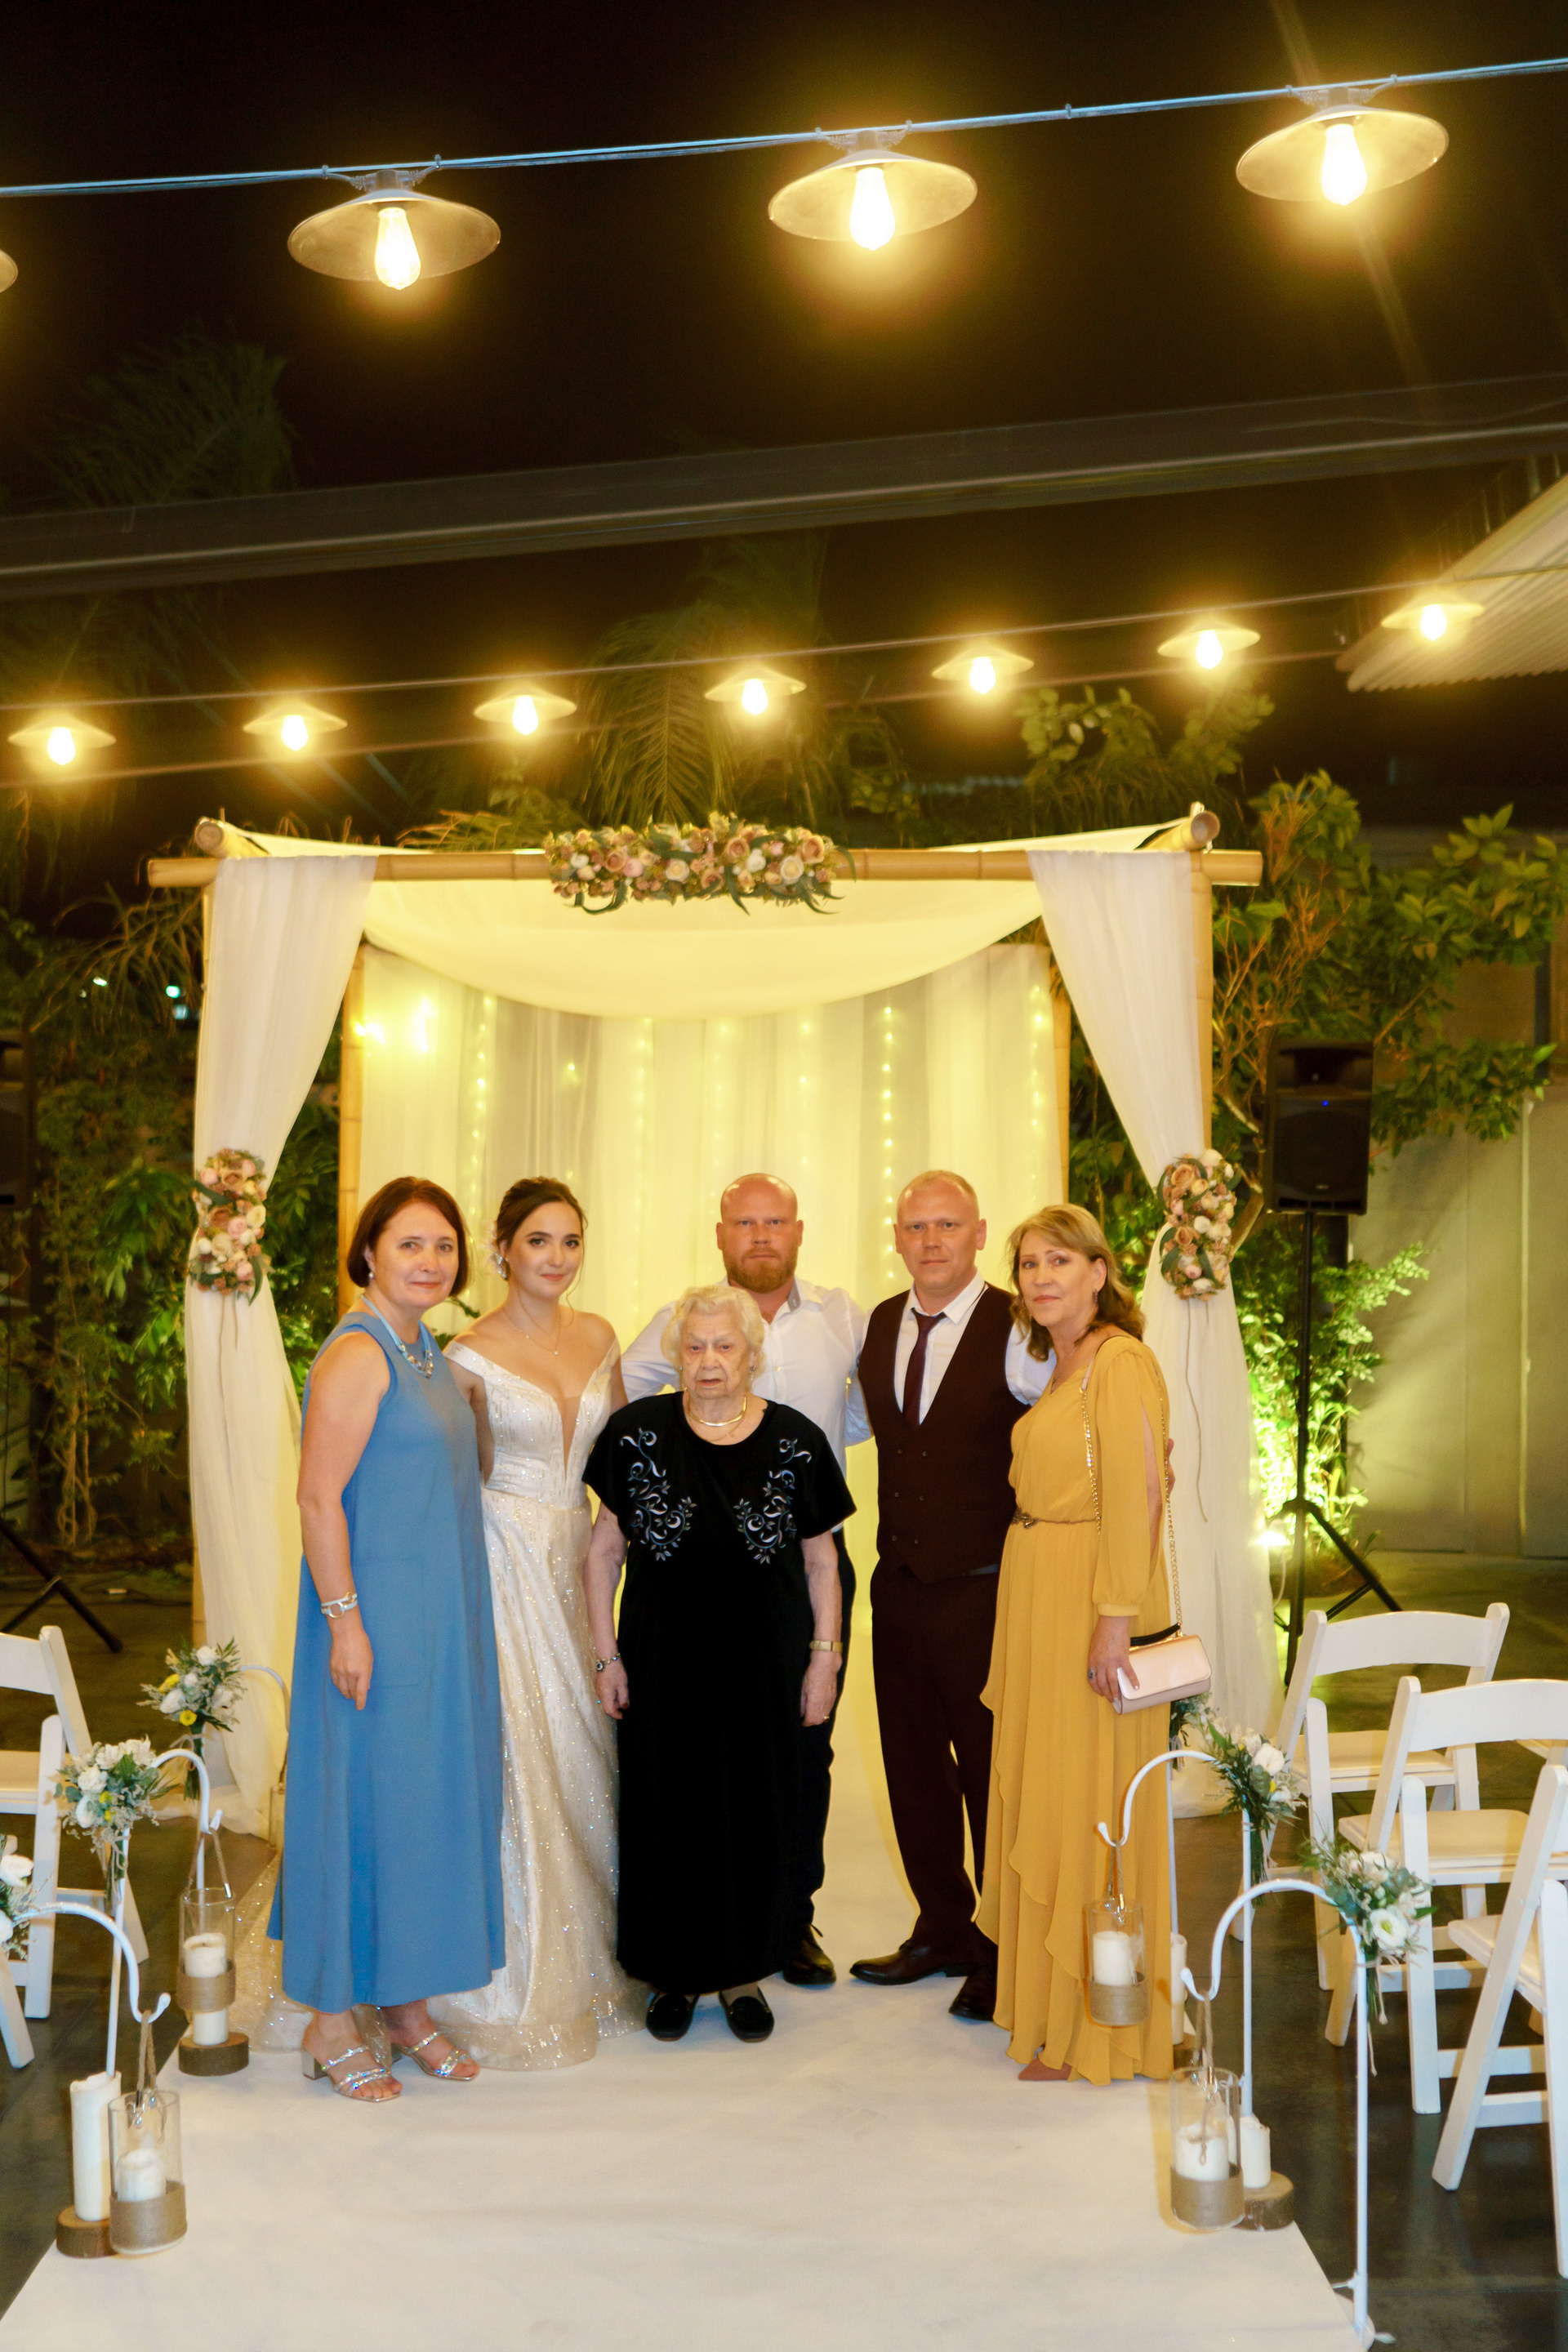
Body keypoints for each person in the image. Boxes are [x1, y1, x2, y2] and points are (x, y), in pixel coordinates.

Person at [275, 1178, 505, 2102]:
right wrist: (346, 1626)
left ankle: (406, 2009)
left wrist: (476, 1401)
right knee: (359, 1806)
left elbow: (462, 1474)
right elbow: (316, 1498)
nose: (430, 1261)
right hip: (373, 1622)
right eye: (410, 1244)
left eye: (444, 1246)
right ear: (368, 1252)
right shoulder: (358, 1352)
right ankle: (332, 2021)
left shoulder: (425, 1351)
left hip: (439, 1617)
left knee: (419, 1809)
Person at [584, 1283, 852, 2045]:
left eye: (724, 1346)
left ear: (751, 1354)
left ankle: (742, 1973)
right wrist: (605, 1655)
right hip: (661, 1658)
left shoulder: (796, 1440)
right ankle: (671, 1973)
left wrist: (823, 1661)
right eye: (695, 1346)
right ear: (676, 1355)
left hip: (765, 1662)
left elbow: (823, 1563)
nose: (709, 1361)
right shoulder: (636, 1434)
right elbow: (602, 1554)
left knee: (754, 1809)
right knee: (667, 1807)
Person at [621, 1174, 866, 1989]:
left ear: (798, 1230)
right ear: (720, 1234)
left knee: (801, 1747)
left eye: (775, 1221)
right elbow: (620, 1396)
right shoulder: (686, 1320)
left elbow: (867, 1411)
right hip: (694, 1577)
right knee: (693, 1756)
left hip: (808, 1563)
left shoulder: (841, 1316)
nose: (761, 1235)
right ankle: (691, 1932)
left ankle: (789, 1920)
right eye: (745, 1222)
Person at [432, 1177, 645, 2069]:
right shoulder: (464, 1355)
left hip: (581, 1556)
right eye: (538, 1241)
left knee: (589, 1740)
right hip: (499, 1560)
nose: (556, 1258)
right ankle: (504, 1967)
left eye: (570, 1241)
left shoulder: (599, 1336)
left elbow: (627, 1458)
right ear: (503, 1250)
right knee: (522, 1746)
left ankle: (606, 1944)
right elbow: (454, 1478)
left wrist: (620, 1543)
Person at [980, 1202, 1174, 2086]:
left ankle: (1097, 2027)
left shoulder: (1119, 1361)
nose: (1041, 1277)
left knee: (1090, 1799)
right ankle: (1050, 2009)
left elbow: (1140, 1494)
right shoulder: (1060, 1365)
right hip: (1039, 1594)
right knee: (1052, 1790)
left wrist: (1115, 1617)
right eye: (1029, 1265)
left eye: (1060, 1261)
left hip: (1088, 1599)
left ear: (1099, 1272)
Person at [851, 1170, 1049, 2025]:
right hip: (898, 1585)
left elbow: (1068, 1428)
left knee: (991, 1775)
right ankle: (942, 1927)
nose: (930, 1241)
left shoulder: (1022, 1327)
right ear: (896, 1237)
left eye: (947, 1225)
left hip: (986, 1590)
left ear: (979, 1234)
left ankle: (1002, 1948)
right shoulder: (881, 1322)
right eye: (915, 1227)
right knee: (913, 1767)